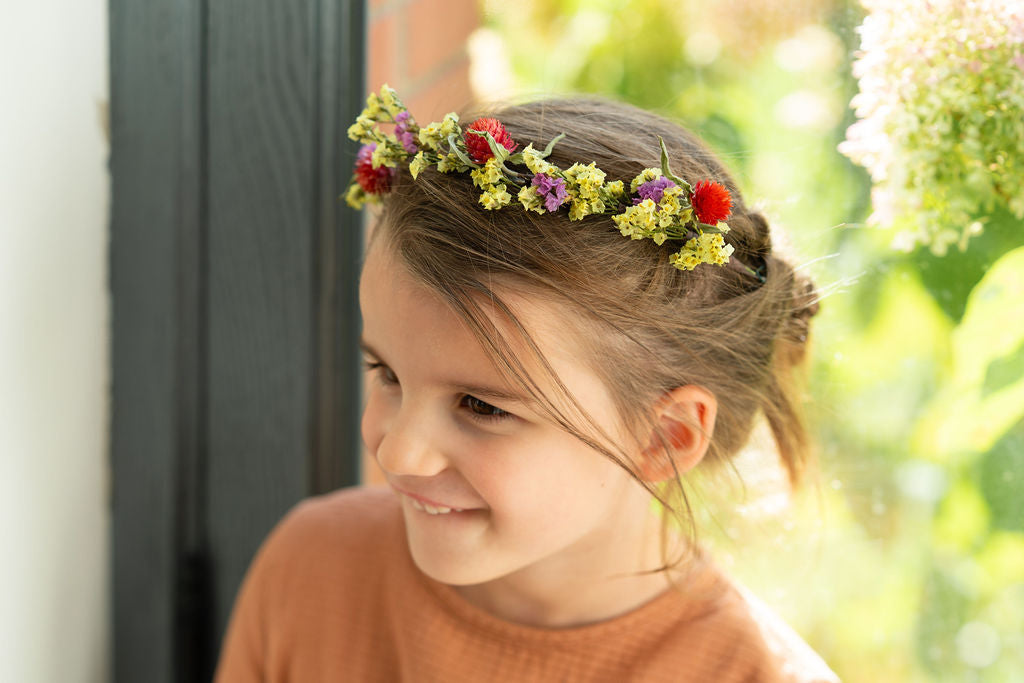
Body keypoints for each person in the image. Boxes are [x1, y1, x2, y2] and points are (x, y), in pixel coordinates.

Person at [214, 85, 838, 682]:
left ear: (665, 437)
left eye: (480, 405)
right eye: (387, 374)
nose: (397, 452)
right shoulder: (313, 568)